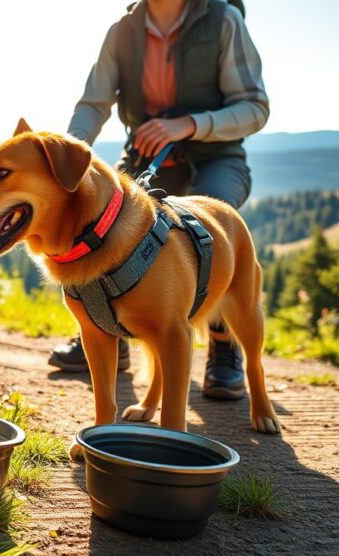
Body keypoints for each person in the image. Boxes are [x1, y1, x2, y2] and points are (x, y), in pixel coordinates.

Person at [50, 0, 269, 401]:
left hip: (216, 157)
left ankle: (223, 344)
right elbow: (94, 104)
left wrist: (190, 124)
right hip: (145, 159)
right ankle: (102, 326)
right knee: (104, 221)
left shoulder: (224, 20)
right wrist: (68, 160)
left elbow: (255, 107)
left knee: (214, 225)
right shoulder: (123, 31)